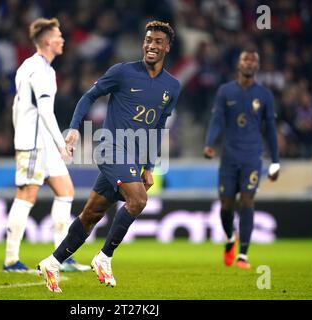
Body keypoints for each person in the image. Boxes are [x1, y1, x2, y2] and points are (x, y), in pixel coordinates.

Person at [38, 20, 181, 293]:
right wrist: (74, 129)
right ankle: (104, 257)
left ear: (167, 47)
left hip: (135, 156)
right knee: (138, 199)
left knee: (91, 214)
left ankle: (52, 262)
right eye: (148, 40)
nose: (151, 45)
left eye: (158, 42)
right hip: (110, 148)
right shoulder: (123, 72)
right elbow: (88, 96)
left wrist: (148, 166)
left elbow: (159, 126)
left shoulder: (172, 87)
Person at [3, 17, 90, 273]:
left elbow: (16, 106)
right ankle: (11, 260)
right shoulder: (39, 70)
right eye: (59, 35)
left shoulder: (32, 67)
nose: (63, 39)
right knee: (26, 196)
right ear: (48, 41)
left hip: (41, 142)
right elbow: (43, 111)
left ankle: (61, 257)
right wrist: (61, 143)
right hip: (33, 143)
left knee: (66, 191)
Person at [203, 49, 280, 269]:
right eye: (245, 59)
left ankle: (243, 255)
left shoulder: (265, 95)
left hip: (252, 157)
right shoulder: (225, 91)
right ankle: (230, 239)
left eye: (253, 60)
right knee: (226, 205)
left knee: (247, 200)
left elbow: (271, 130)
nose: (248, 63)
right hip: (228, 157)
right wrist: (209, 143)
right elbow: (217, 120)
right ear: (238, 64)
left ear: (257, 66)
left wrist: (275, 161)